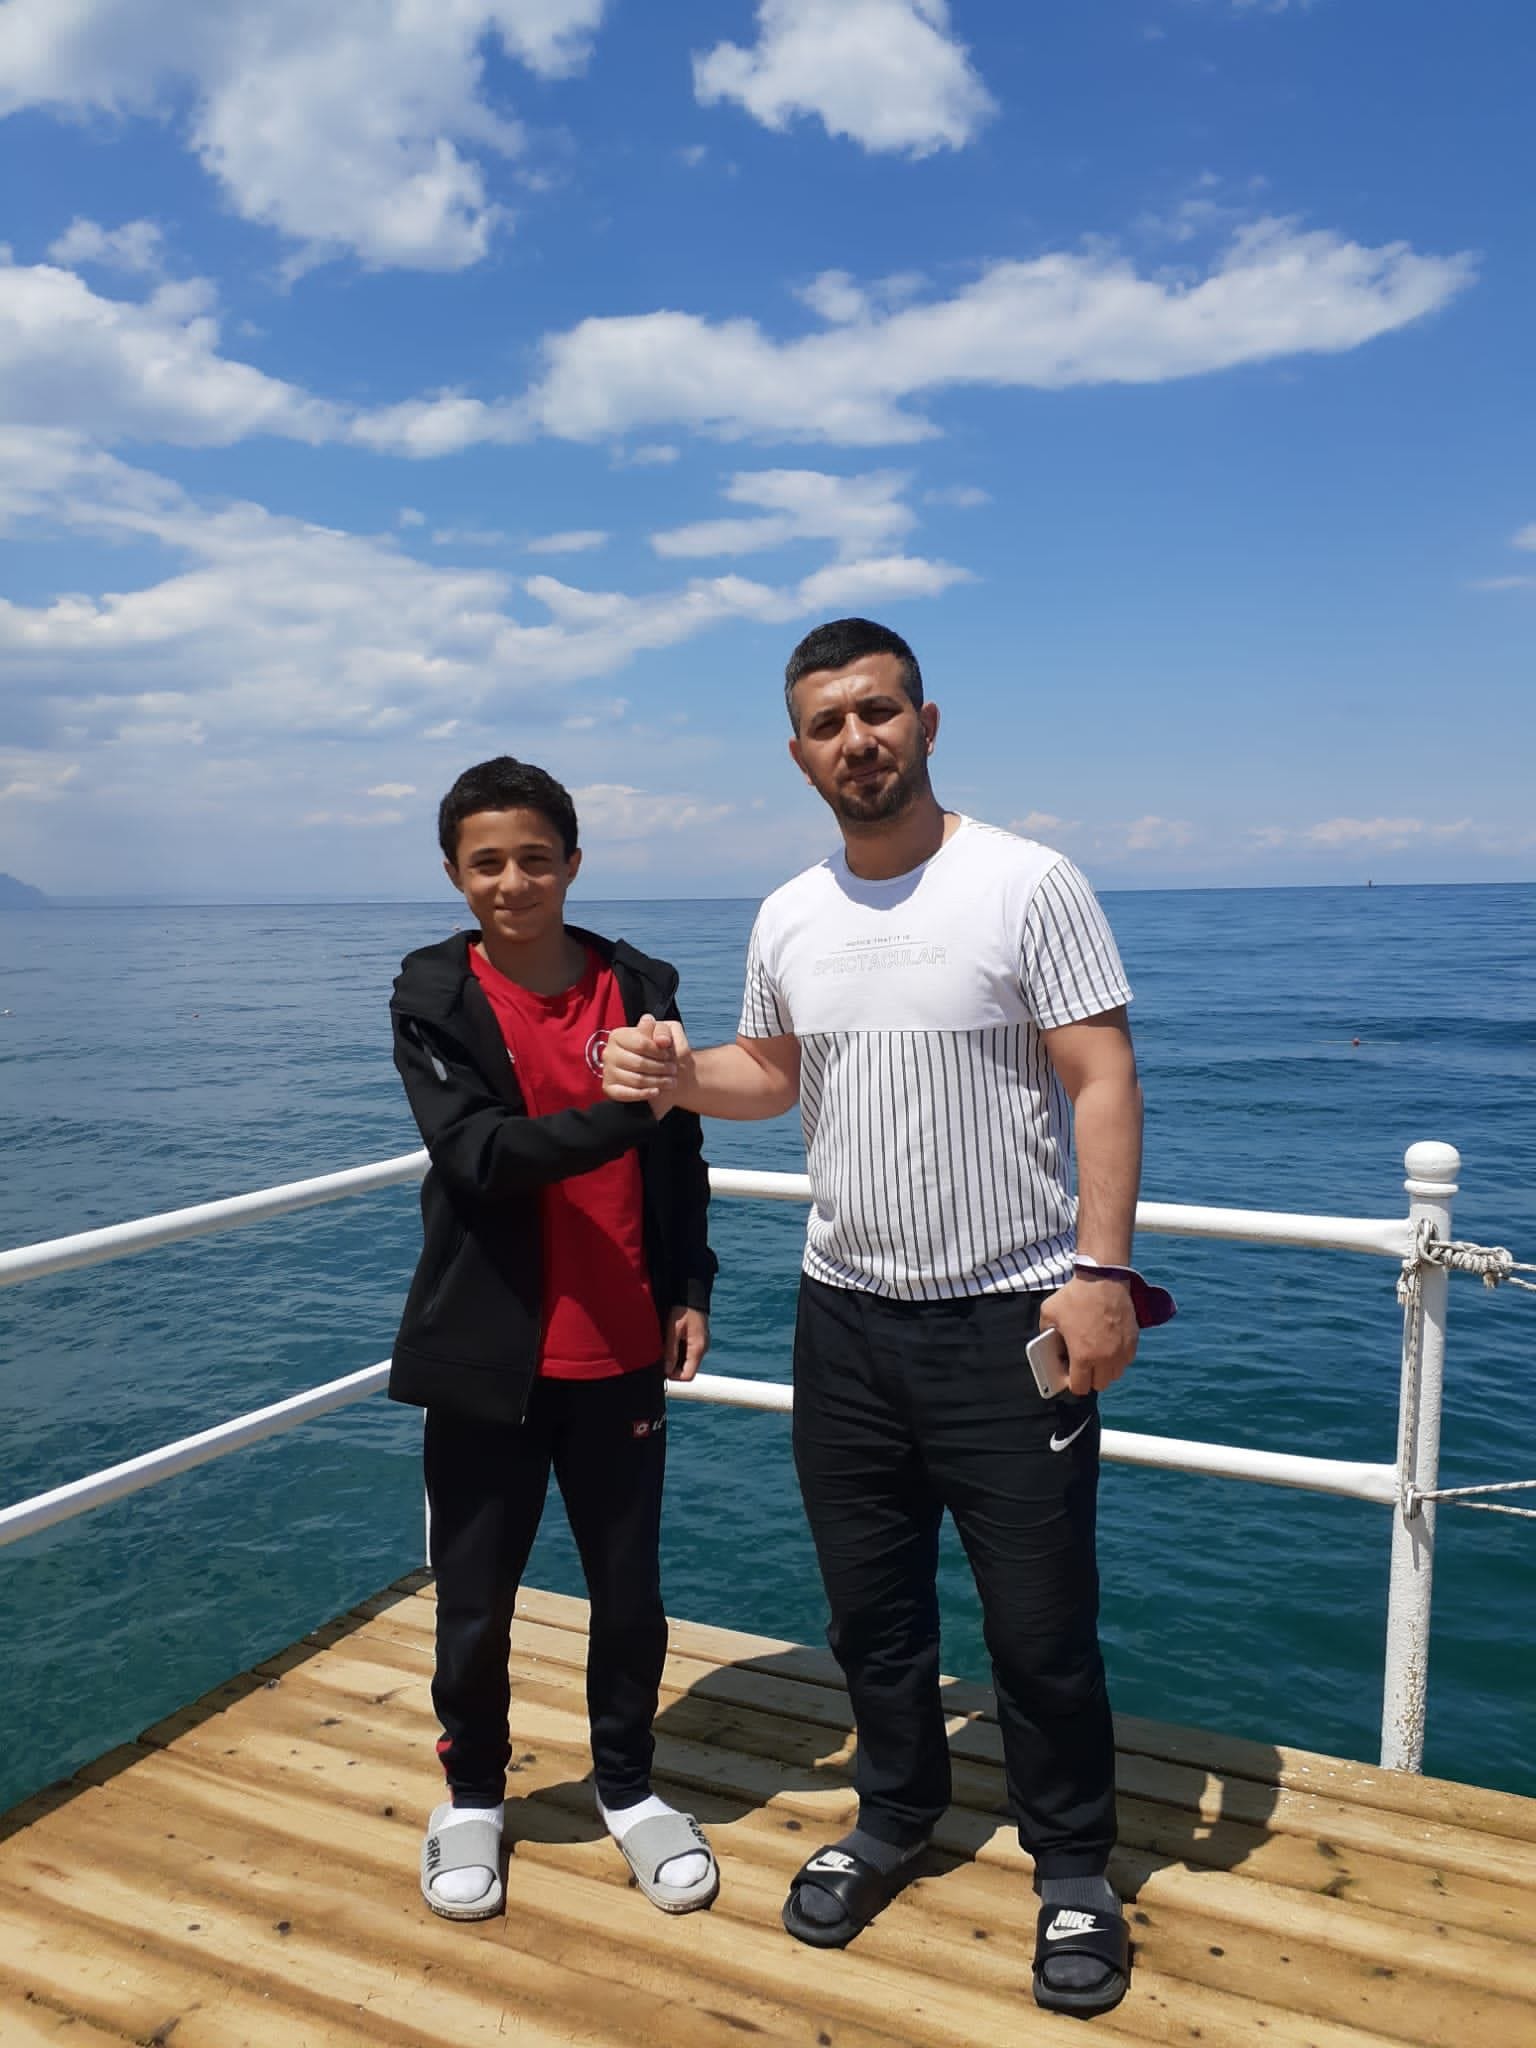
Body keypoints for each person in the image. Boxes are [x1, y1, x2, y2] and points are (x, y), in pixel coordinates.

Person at [602, 620, 1145, 2016]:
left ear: (927, 722)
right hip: (842, 1319)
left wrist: (1099, 1271)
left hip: (1008, 1317)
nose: (858, 740)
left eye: (879, 711)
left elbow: (1099, 1077)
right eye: (829, 723)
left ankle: (1071, 1864)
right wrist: (672, 1074)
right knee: (873, 1613)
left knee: (1040, 1623)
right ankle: (896, 1812)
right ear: (798, 754)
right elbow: (770, 1071)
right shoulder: (790, 913)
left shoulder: (1026, 883)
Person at [389, 756, 720, 1922]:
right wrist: (628, 1112)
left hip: (621, 1341)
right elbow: (477, 1154)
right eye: (487, 862)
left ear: (573, 862)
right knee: (475, 1598)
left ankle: (629, 1787)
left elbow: (680, 1152)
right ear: (454, 872)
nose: (513, 881)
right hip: (488, 1352)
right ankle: (473, 1795)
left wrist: (689, 1282)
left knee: (630, 1592)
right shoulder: (433, 996)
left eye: (535, 857)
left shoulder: (638, 983)